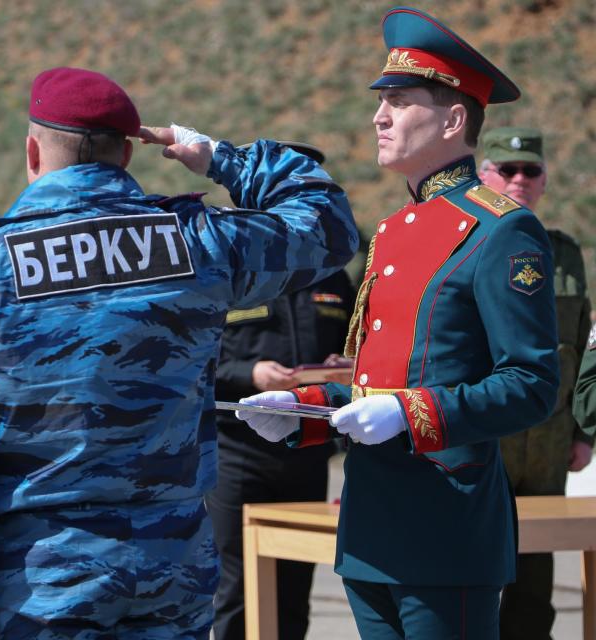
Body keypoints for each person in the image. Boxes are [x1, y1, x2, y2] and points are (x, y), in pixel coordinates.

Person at [0, 66, 358, 639]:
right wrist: (220, 158)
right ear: (128, 155)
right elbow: (329, 227)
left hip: (44, 570)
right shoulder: (198, 239)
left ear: (33, 152)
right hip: (174, 561)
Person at [237, 7, 560, 638]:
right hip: (370, 528)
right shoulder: (391, 231)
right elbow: (379, 383)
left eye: (401, 101)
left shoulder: (501, 228)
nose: (378, 118)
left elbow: (531, 383)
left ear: (453, 119)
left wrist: (409, 415)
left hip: (445, 526)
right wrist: (305, 408)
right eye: (381, 102)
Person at [207, 142, 356, 640]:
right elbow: (194, 360)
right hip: (236, 451)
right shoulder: (227, 261)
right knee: (235, 590)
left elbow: (356, 345)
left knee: (295, 590)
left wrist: (342, 366)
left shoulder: (333, 269)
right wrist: (250, 375)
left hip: (306, 448)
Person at [478, 126, 594, 639]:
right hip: (487, 437)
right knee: (477, 571)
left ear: (544, 180)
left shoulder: (563, 254)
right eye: (507, 170)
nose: (519, 179)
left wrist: (584, 432)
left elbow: (579, 346)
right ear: (484, 176)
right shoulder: (465, 244)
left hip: (548, 444)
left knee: (535, 582)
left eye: (530, 171)